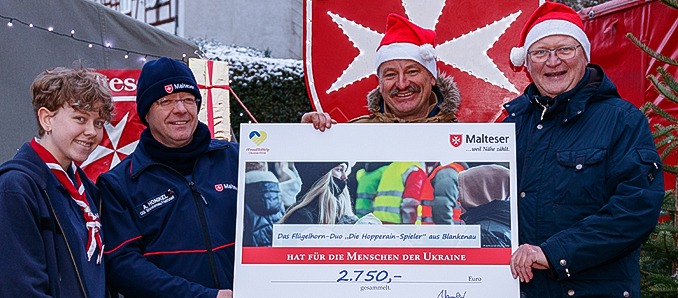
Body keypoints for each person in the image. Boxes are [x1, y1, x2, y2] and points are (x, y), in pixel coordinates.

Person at [504, 3, 664, 297]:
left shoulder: (622, 121)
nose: (552, 61)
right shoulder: (510, 124)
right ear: (526, 63)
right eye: (540, 52)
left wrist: (554, 253)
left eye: (565, 49)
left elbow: (635, 210)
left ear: (584, 56)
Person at [97, 57, 237, 298]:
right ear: (146, 114)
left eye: (187, 99)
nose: (180, 109)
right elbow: (122, 266)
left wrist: (307, 137)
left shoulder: (235, 158)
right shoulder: (119, 184)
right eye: (166, 101)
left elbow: (287, 206)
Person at [0, 66, 113, 297]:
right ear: (46, 119)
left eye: (98, 122)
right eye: (80, 118)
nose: (91, 131)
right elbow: (21, 289)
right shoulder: (16, 187)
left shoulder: (87, 190)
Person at [301, 13, 461, 129]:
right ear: (379, 82)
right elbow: (310, 174)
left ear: (432, 77)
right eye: (391, 74)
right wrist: (308, 138)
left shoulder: (462, 136)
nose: (402, 84)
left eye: (412, 71)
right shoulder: (355, 133)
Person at [280, 162, 356, 224]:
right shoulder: (300, 217)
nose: (345, 177)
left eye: (345, 170)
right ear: (321, 176)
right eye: (339, 170)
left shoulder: (339, 210)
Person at [458, 164, 511, 248]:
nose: (458, 198)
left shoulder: (485, 234)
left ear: (477, 192)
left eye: (467, 190)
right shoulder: (497, 224)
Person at [243, 162, 283, 247]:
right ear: (265, 168)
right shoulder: (278, 195)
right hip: (276, 253)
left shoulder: (240, 196)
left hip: (252, 255)